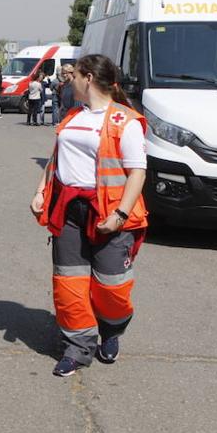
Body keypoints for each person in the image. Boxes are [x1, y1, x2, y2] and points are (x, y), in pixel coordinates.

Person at [29, 53, 148, 378]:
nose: (70, 80)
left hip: (110, 214)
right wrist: (41, 190)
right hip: (68, 211)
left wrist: (121, 215)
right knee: (69, 283)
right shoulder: (72, 115)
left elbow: (137, 173)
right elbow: (56, 158)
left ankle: (112, 329)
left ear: (89, 79)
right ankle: (77, 347)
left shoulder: (125, 120)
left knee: (111, 287)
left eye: (75, 75)